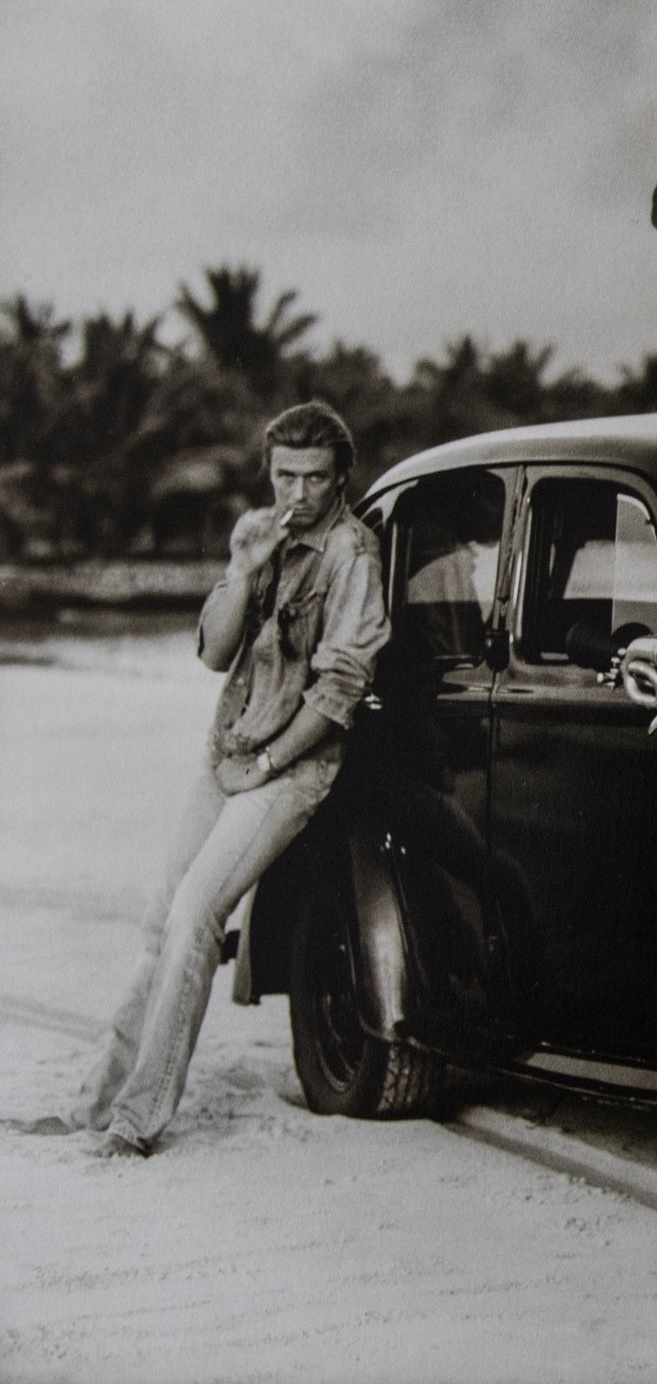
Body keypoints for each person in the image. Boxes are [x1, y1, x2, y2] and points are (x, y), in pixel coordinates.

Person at [33, 401, 390, 1157]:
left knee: (197, 912)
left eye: (315, 479)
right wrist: (241, 570)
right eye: (284, 475)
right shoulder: (263, 536)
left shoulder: (351, 556)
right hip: (226, 750)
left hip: (288, 768)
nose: (297, 494)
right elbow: (213, 654)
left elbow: (337, 694)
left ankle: (137, 1120)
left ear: (342, 479)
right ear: (269, 471)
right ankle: (96, 1104)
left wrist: (266, 763)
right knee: (161, 918)